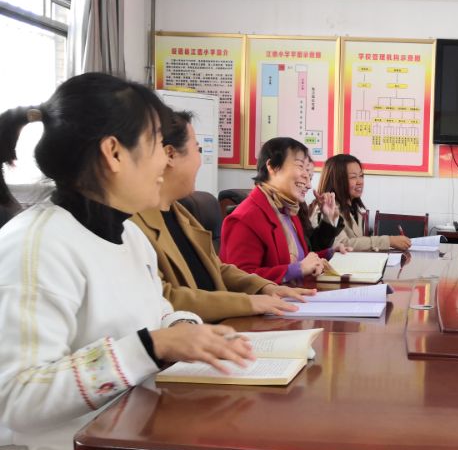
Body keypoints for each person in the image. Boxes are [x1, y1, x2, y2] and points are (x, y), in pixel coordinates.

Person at [0, 73, 267, 450]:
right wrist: (152, 346)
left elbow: (161, 316)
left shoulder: (127, 236)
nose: (168, 160)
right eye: (158, 144)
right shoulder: (36, 247)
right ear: (114, 152)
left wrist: (190, 332)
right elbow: (14, 399)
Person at [133, 112, 315, 322]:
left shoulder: (179, 212)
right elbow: (163, 298)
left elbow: (217, 268)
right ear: (170, 155)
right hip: (199, 331)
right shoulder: (132, 224)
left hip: (220, 325)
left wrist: (265, 287)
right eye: (198, 150)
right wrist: (248, 302)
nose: (201, 161)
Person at [220, 137, 333, 282]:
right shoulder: (245, 218)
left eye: (308, 170)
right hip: (274, 296)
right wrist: (297, 269)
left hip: (295, 293)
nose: (308, 183)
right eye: (300, 166)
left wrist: (330, 254)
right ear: (272, 167)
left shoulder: (288, 210)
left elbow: (301, 260)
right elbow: (240, 279)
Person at [310, 153, 411, 252]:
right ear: (337, 180)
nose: (360, 182)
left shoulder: (354, 209)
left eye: (361, 176)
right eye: (353, 177)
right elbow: (341, 243)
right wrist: (388, 241)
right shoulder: (325, 209)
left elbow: (357, 243)